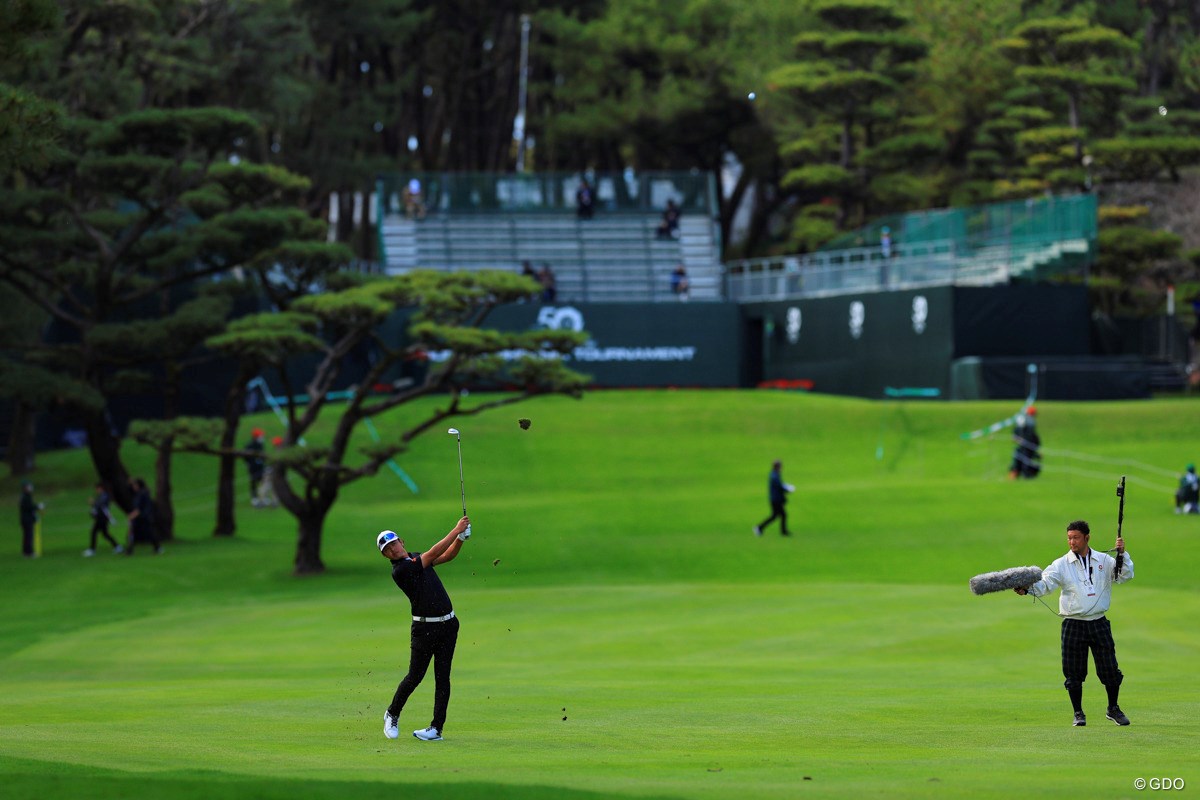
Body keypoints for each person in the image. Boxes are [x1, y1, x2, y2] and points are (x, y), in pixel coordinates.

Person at [1015, 520, 1133, 726]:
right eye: (1069, 538)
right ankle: (1078, 713)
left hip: (1098, 622)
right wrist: (1028, 589)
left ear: (1087, 537)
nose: (1072, 541)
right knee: (1073, 671)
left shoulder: (1104, 560)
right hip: (1073, 623)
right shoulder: (1061, 564)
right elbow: (1046, 583)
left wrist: (1122, 554)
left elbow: (1124, 576)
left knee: (1110, 669)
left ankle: (1113, 709)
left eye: (1076, 537)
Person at [378, 515, 471, 742]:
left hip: (448, 625)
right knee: (415, 676)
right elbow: (432, 553)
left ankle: (436, 729)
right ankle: (392, 713)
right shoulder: (400, 571)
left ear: (402, 541)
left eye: (393, 544)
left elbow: (446, 556)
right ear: (385, 555)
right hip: (424, 628)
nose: (392, 550)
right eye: (387, 550)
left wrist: (460, 539)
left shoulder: (416, 557)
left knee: (443, 678)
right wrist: (455, 529)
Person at [753, 460, 794, 537]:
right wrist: (788, 489)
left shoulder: (775, 474)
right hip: (776, 500)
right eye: (780, 466)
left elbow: (780, 486)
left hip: (775, 499)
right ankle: (759, 527)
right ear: (777, 467)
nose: (781, 468)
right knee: (779, 515)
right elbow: (779, 486)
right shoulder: (774, 475)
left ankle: (760, 528)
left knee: (778, 515)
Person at [125, 476, 162, 555]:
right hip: (144, 517)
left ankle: (157, 547)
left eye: (135, 485)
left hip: (143, 517)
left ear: (138, 485)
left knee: (144, 533)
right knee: (135, 533)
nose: (133, 487)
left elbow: (139, 508)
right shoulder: (143, 493)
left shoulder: (141, 494)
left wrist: (132, 516)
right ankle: (130, 549)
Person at [84, 482, 121, 556]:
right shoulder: (101, 496)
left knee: (94, 532)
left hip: (102, 518)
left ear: (100, 488)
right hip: (100, 517)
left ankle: (92, 549)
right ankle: (117, 546)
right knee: (105, 534)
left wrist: (93, 502)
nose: (96, 490)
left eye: (97, 489)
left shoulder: (105, 496)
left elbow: (101, 505)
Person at [1008, 406, 1041, 479]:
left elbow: (1017, 433)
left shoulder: (1025, 420)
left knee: (1020, 460)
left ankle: (1017, 474)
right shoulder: (1030, 422)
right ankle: (1023, 474)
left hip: (1025, 445)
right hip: (1026, 446)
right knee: (1024, 460)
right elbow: (1032, 436)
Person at [19, 481, 43, 558]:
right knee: (28, 537)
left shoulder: (25, 496)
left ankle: (26, 552)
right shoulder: (26, 497)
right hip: (27, 520)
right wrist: (38, 507)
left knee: (27, 536)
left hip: (25, 519)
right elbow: (29, 508)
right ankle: (29, 552)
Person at [245, 428, 266, 506]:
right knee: (253, 482)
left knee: (262, 482)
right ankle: (254, 498)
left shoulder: (260, 445)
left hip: (260, 467)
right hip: (253, 468)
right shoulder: (249, 446)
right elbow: (246, 458)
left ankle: (262, 498)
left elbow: (263, 456)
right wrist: (250, 464)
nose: (262, 437)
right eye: (260, 436)